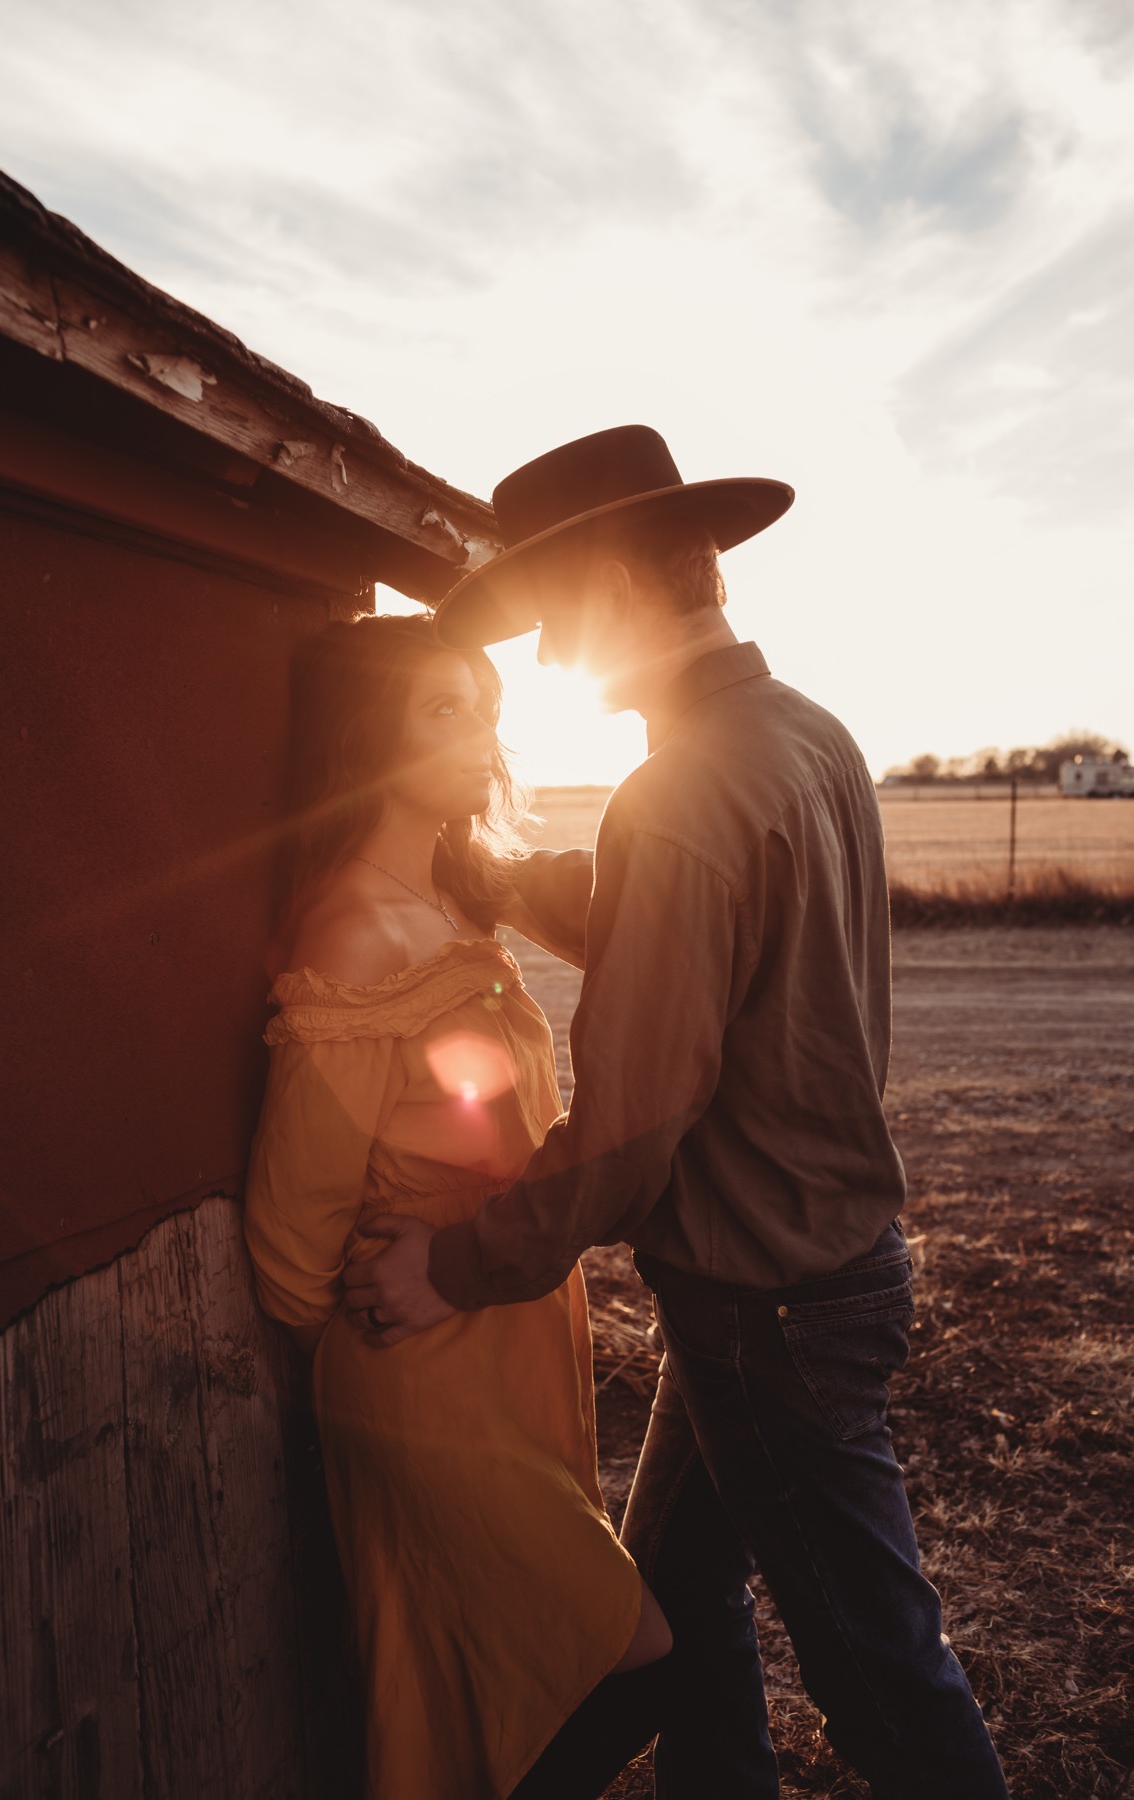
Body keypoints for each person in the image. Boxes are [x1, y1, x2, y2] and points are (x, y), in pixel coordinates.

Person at [343, 427, 1011, 1798]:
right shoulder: (803, 733)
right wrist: (510, 875)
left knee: (881, 1672)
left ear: (623, 591)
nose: (541, 665)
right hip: (814, 1272)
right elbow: (693, 937)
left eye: (551, 621)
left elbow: (637, 1119)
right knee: (686, 1597)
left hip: (768, 1306)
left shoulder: (686, 788)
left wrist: (455, 1267)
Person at [241, 610, 672, 1800]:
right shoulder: (350, 933)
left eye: (484, 703)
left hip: (512, 1346)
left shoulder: (456, 903)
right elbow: (287, 1248)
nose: (483, 730)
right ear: (365, 736)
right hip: (419, 1377)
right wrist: (391, 1291)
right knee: (628, 1659)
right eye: (443, 707)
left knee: (483, 1697)